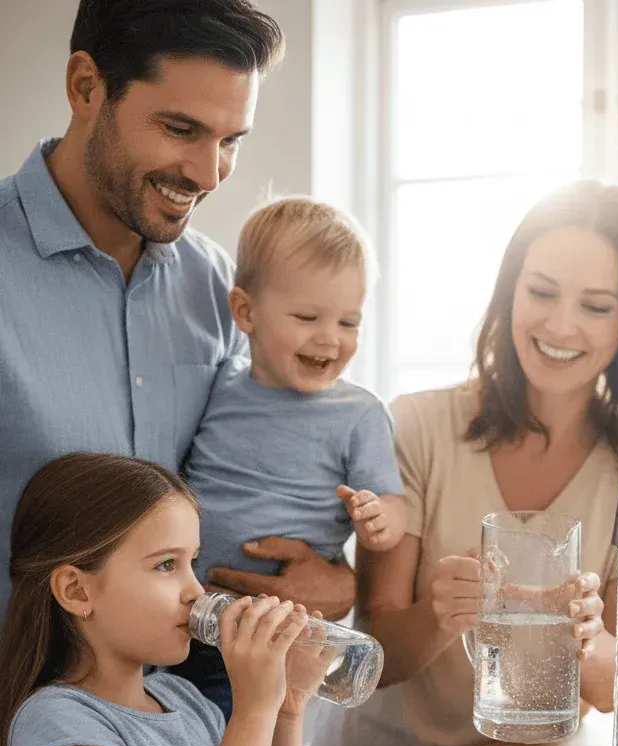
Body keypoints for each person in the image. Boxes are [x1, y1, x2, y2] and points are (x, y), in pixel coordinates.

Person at [306, 180, 618, 746]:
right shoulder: (416, 426)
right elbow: (376, 657)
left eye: (596, 306)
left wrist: (587, 634)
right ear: (510, 293)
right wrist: (440, 615)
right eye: (541, 292)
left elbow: (614, 684)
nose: (560, 325)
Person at [0, 0, 355, 631]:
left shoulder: (221, 287)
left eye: (231, 141)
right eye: (181, 129)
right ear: (86, 87)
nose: (210, 174)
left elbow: (260, 477)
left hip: (178, 711)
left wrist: (331, 576)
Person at [0, 453, 332, 746]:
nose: (196, 591)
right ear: (77, 591)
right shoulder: (57, 724)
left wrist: (285, 710)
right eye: (165, 565)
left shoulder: (185, 699)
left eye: (192, 562)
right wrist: (253, 710)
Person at [175, 197, 406, 718]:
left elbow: (393, 503)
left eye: (350, 322)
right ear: (245, 312)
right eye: (307, 317)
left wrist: (379, 521)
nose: (330, 338)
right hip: (187, 619)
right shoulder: (219, 386)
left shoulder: (358, 413)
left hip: (276, 633)